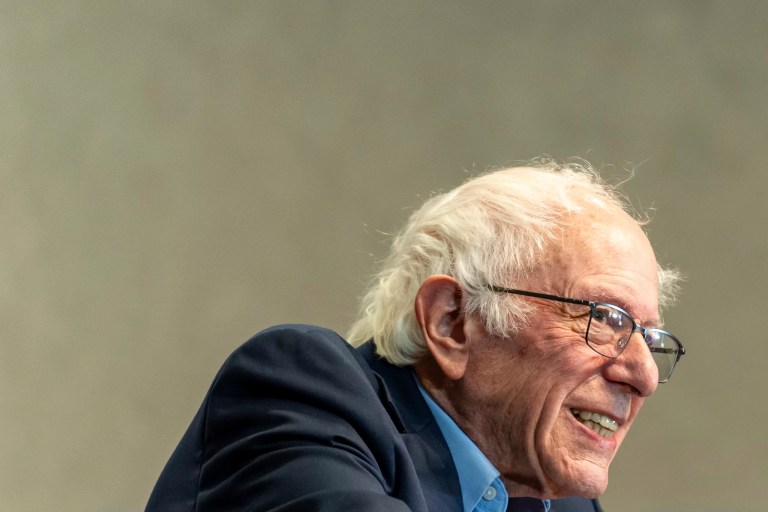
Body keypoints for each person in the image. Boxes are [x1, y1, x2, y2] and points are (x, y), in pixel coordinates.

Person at [145, 160, 685, 512]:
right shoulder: (303, 394)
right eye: (606, 319)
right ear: (452, 321)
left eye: (649, 335)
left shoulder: (563, 502)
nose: (644, 374)